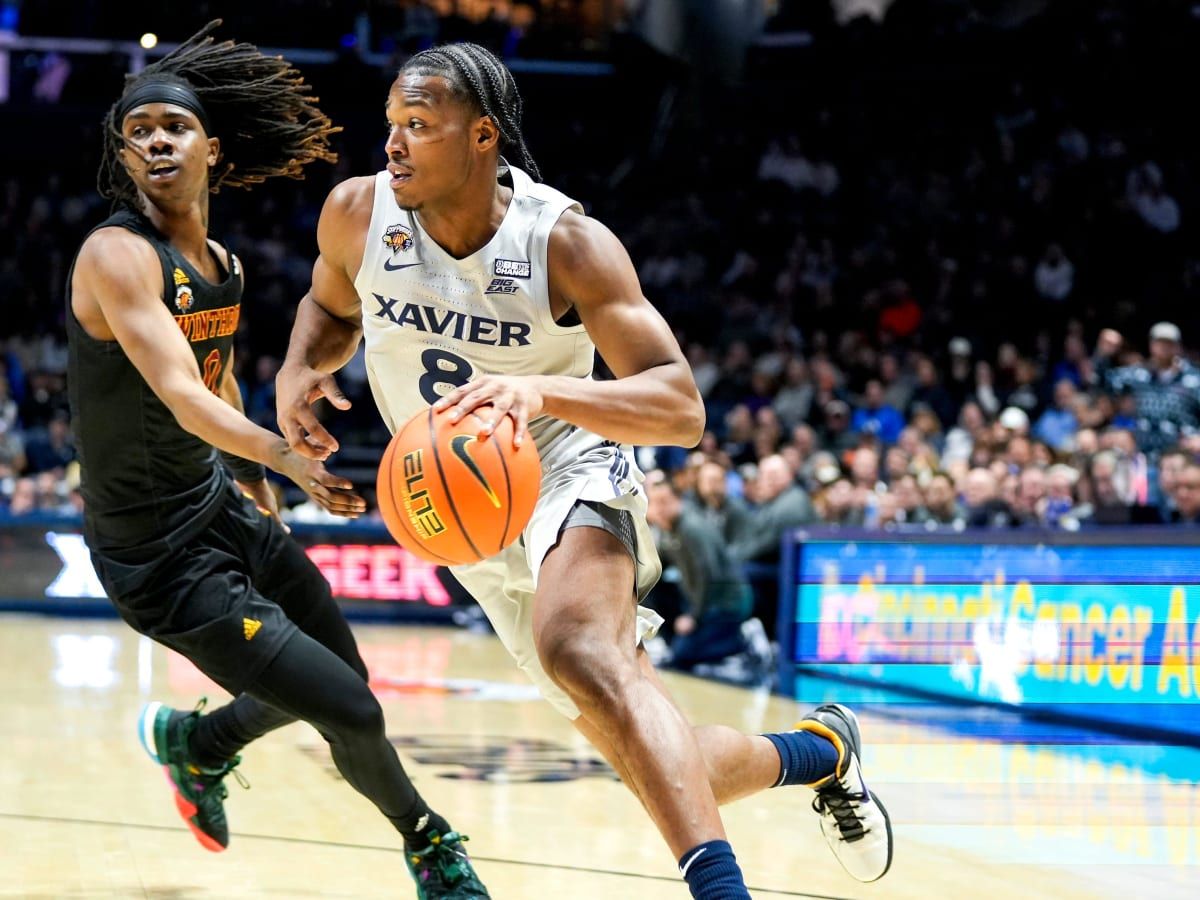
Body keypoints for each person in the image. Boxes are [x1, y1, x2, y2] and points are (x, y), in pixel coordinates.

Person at [276, 42, 893, 897]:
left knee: (579, 650)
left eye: (418, 126)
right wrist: (299, 368)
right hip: (467, 515)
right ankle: (821, 753)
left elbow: (680, 407)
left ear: (483, 136)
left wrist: (545, 394)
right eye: (391, 125)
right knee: (656, 759)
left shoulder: (564, 240)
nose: (393, 144)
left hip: (564, 465)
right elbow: (329, 306)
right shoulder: (355, 213)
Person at [67, 24, 488, 898]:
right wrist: (285, 458)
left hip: (218, 503)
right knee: (354, 710)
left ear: (210, 149)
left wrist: (256, 477)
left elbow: (217, 380)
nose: (154, 139)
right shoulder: (116, 256)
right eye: (137, 129)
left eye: (172, 127)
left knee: (345, 682)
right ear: (122, 154)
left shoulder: (220, 264)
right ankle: (431, 846)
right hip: (156, 555)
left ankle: (200, 745)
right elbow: (185, 395)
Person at [646, 474, 756, 671]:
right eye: (655, 503)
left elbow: (709, 577)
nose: (660, 508)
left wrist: (693, 617)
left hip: (725, 603)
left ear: (677, 500)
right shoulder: (670, 527)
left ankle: (743, 640)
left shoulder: (692, 527)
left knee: (682, 655)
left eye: (664, 502)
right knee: (651, 586)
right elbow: (657, 563)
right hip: (703, 600)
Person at [1093, 323, 1200, 456]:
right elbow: (1104, 383)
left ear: (1178, 346)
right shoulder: (1140, 375)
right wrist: (1103, 354)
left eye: (1169, 343)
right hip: (1144, 454)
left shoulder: (1194, 378)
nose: (1164, 347)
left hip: (1181, 457)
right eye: (1159, 342)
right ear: (1151, 345)